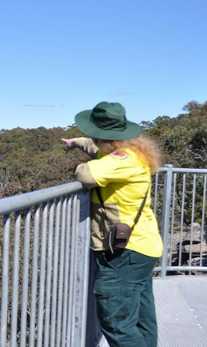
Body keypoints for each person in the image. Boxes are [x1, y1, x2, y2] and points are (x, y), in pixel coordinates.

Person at [62, 101, 163, 347]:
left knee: (117, 323)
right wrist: (77, 142)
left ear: (103, 138)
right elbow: (98, 151)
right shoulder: (130, 152)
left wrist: (80, 162)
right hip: (141, 247)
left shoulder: (123, 160)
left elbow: (86, 174)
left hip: (124, 253)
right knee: (140, 320)